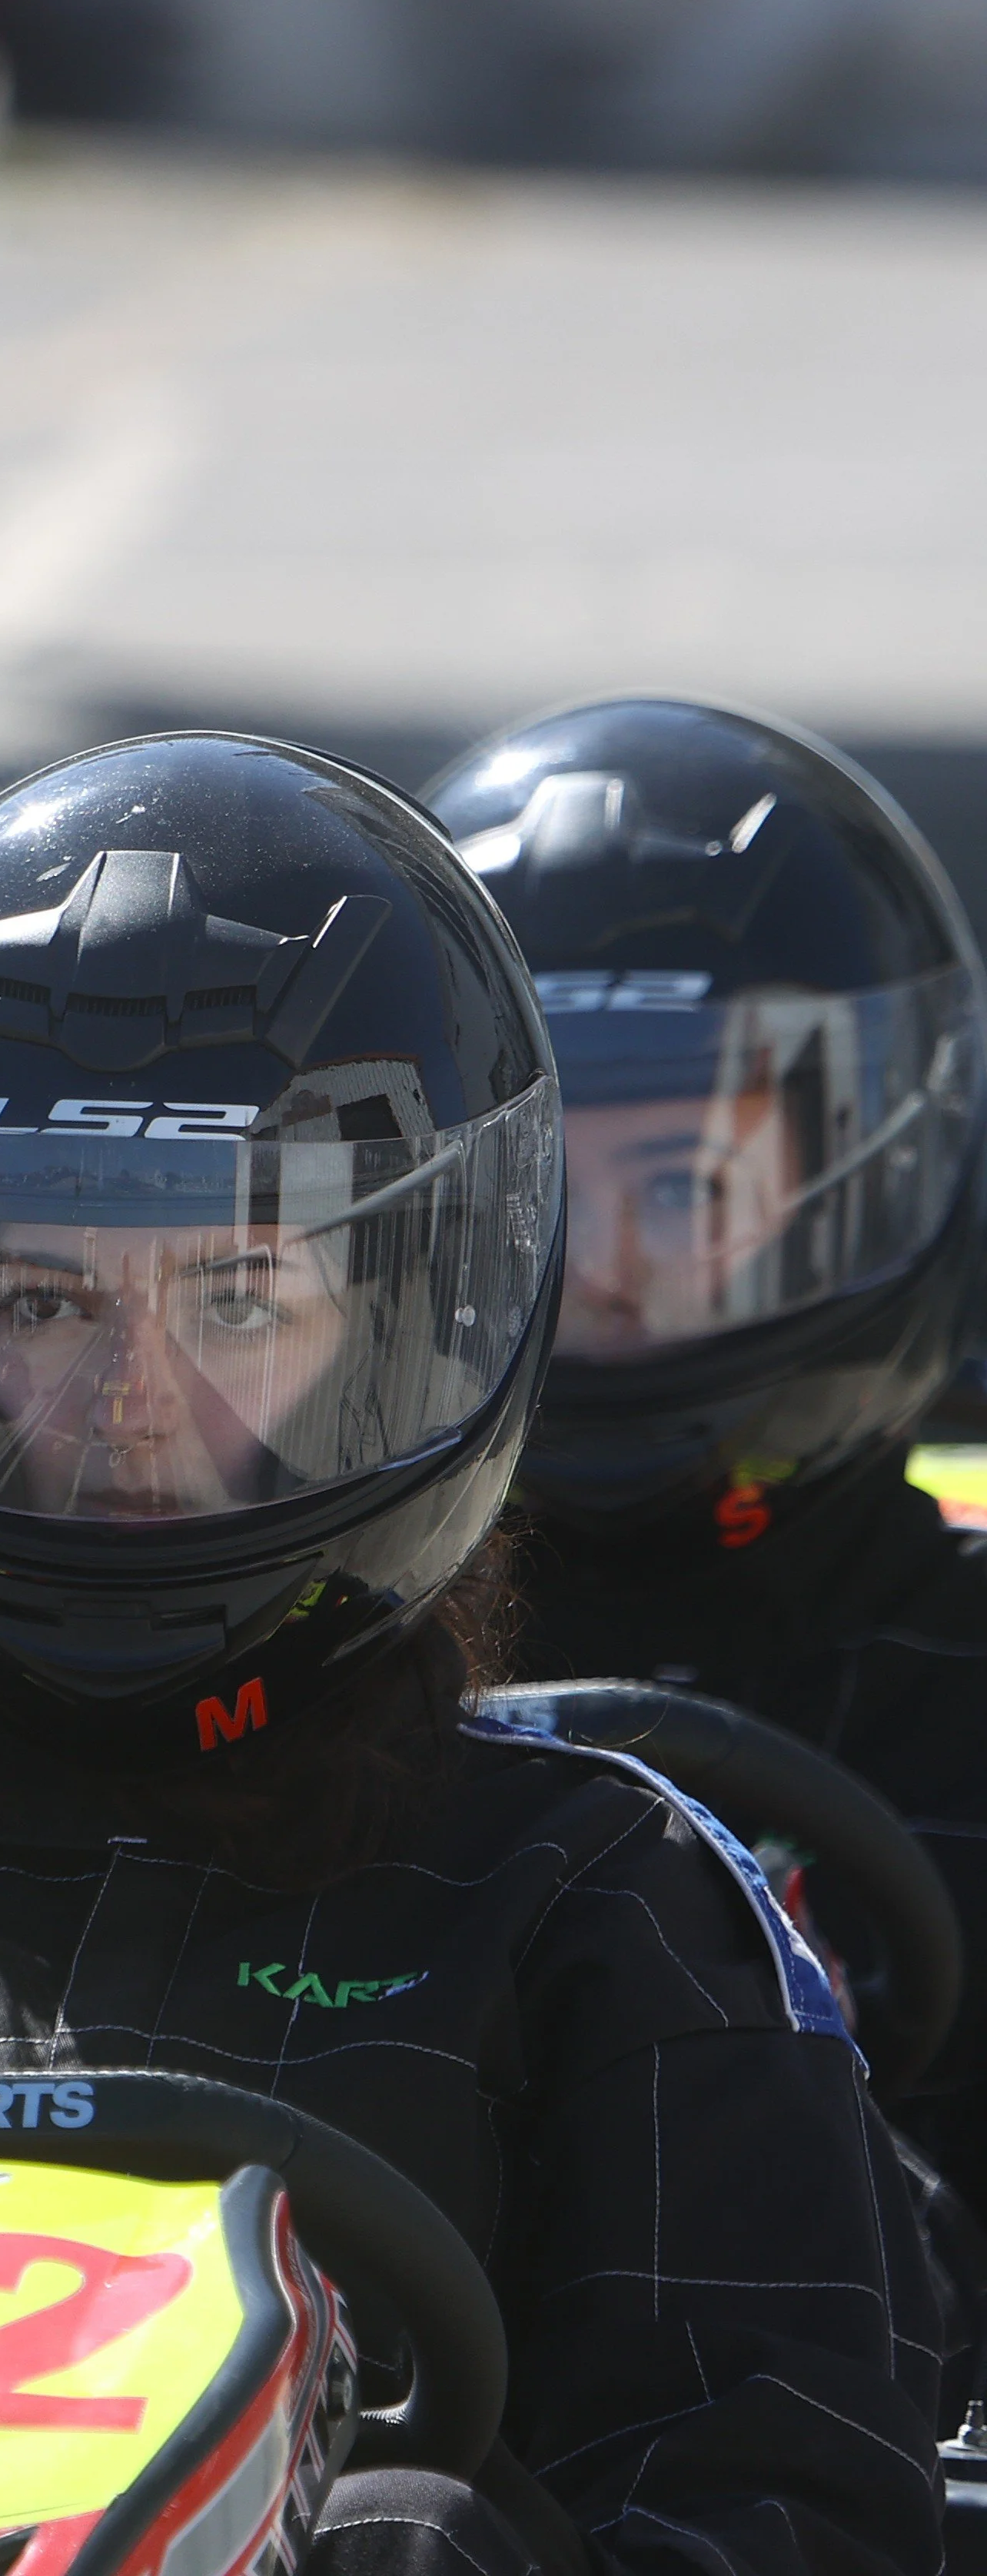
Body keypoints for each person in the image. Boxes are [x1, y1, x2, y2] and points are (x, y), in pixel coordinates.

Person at [0, 732, 942, 2576]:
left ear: (400, 1325)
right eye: (49, 1298)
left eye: (236, 1296)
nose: (131, 1398)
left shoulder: (590, 1915)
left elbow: (783, 2518)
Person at [429, 692, 987, 2229]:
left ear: (860, 1175)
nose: (601, 1272)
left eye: (684, 1184)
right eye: (544, 1198)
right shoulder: (317, 1688)